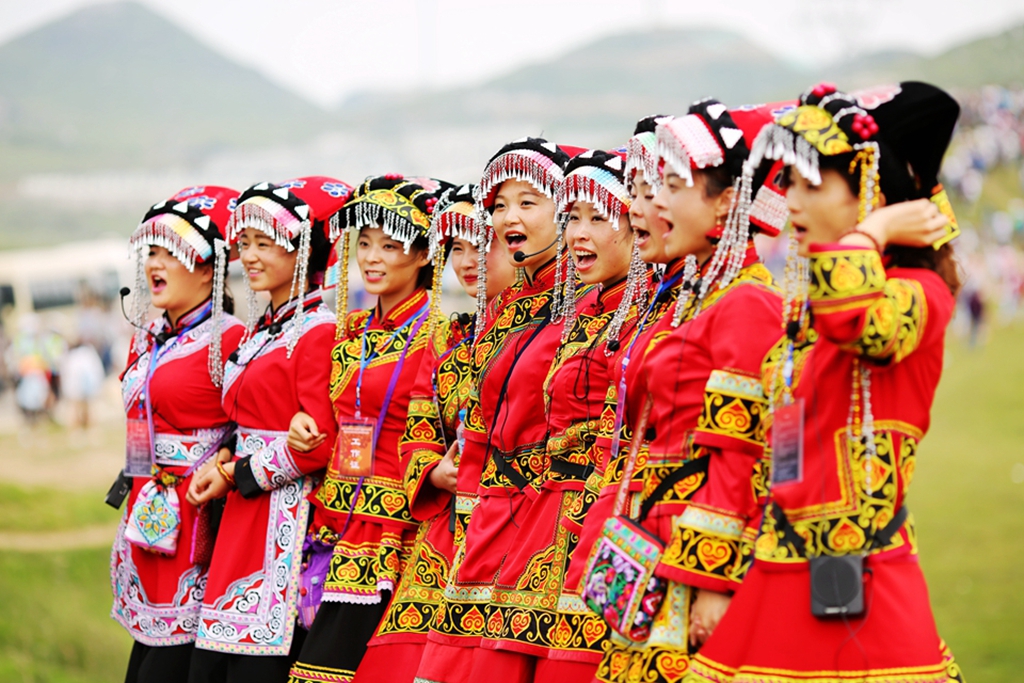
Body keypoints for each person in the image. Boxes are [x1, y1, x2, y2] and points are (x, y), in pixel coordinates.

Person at [684, 82, 965, 683]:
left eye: (814, 186)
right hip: (777, 569)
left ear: (871, 191)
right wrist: (714, 579)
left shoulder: (923, 296)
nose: (795, 206)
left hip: (863, 577)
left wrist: (871, 234)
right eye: (791, 186)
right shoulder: (802, 318)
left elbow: (859, 323)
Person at [592, 101, 789, 683]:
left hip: (695, 556)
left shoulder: (748, 304)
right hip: (660, 535)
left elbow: (739, 458)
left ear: (726, 200)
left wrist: (712, 583)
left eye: (673, 186)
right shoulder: (702, 297)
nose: (649, 205)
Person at [468, 149, 648, 681]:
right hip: (534, 515)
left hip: (597, 518)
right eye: (574, 218)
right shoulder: (580, 310)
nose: (579, 234)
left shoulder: (640, 312)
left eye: (598, 217)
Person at [415, 137, 578, 683]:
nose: (509, 216)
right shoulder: (503, 313)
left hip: (550, 523)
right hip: (482, 521)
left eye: (527, 202)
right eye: (500, 204)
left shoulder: (592, 307)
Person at [285, 175, 452, 683]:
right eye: (364, 243)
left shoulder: (441, 335)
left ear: (424, 256)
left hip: (396, 532)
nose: (372, 257)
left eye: (390, 244)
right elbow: (329, 413)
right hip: (333, 520)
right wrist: (299, 423)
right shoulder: (351, 330)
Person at [186, 177, 352, 683]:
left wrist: (238, 472)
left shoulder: (318, 330)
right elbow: (246, 418)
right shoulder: (267, 329)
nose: (249, 255)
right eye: (245, 243)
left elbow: (316, 445)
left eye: (265, 243)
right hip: (242, 511)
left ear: (303, 250)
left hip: (282, 518)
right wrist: (224, 465)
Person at [353, 184, 517, 682]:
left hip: (507, 528)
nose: (467, 262)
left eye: (480, 245)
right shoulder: (456, 334)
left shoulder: (543, 327)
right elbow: (418, 423)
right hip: (442, 530)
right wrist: (432, 468)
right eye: (456, 249)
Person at [110, 185, 245, 683]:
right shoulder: (145, 335)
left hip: (197, 512)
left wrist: (224, 459)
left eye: (173, 253)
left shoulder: (228, 337)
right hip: (147, 512)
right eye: (153, 253)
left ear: (209, 267)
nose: (155, 265)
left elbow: (249, 424)